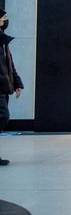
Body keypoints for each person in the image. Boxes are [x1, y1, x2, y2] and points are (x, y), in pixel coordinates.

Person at [0, 9, 24, 166]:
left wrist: (17, 83)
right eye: (4, 18)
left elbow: (9, 63)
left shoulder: (2, 41)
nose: (6, 20)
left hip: (4, 86)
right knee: (3, 116)